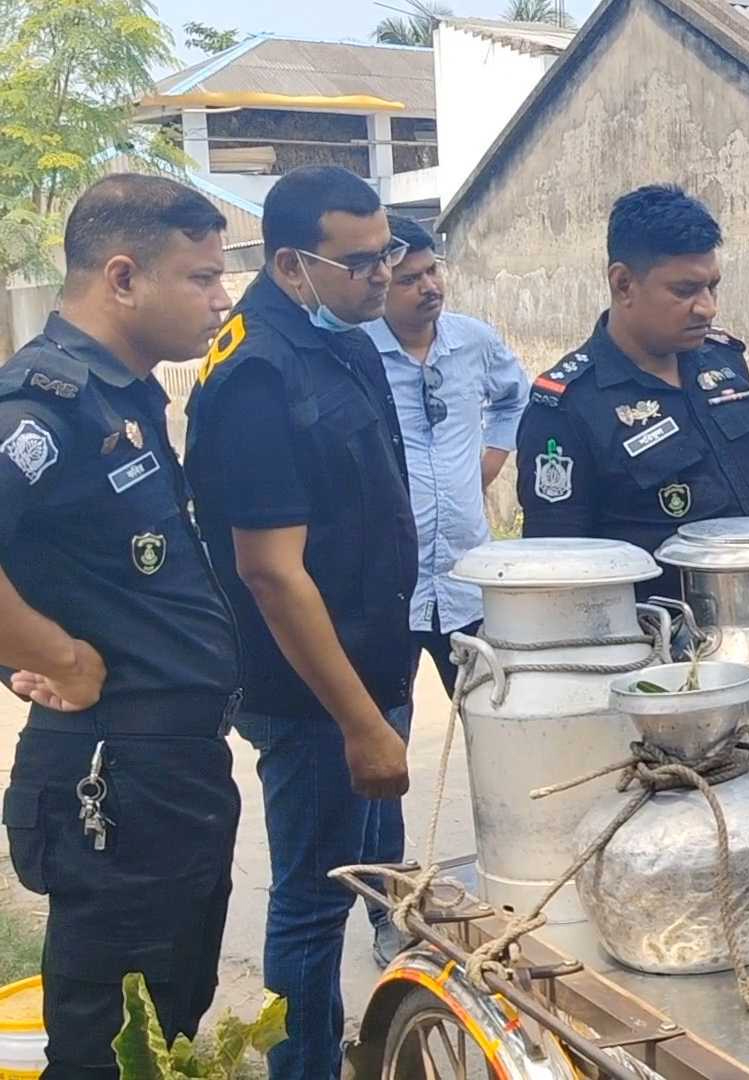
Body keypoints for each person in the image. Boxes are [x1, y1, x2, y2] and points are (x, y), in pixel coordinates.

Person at [0, 175, 242, 1077]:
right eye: (203, 277)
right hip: (115, 778)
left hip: (169, 772)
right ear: (124, 277)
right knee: (112, 1048)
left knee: (167, 1023)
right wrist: (54, 653)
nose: (222, 300)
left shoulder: (123, 396)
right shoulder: (46, 404)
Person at [185, 165, 415, 1079]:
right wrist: (360, 723)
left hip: (373, 668)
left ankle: (364, 1045)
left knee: (374, 876)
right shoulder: (255, 374)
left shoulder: (344, 339)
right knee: (314, 902)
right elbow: (272, 573)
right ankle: (304, 1065)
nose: (382, 276)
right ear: (291, 265)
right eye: (360, 262)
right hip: (317, 695)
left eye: (387, 252)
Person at [359, 213, 529, 965]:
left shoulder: (472, 341)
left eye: (433, 271)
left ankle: (517, 878)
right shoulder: (354, 354)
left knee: (501, 731)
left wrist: (487, 462)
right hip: (386, 587)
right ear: (377, 283)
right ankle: (388, 909)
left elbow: (515, 393)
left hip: (464, 581)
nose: (428, 287)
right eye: (408, 278)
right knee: (383, 752)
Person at [516, 185, 749, 603]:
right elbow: (557, 569)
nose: (707, 307)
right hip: (651, 647)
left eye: (712, 287)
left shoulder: (725, 366)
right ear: (622, 284)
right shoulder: (567, 406)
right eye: (685, 291)